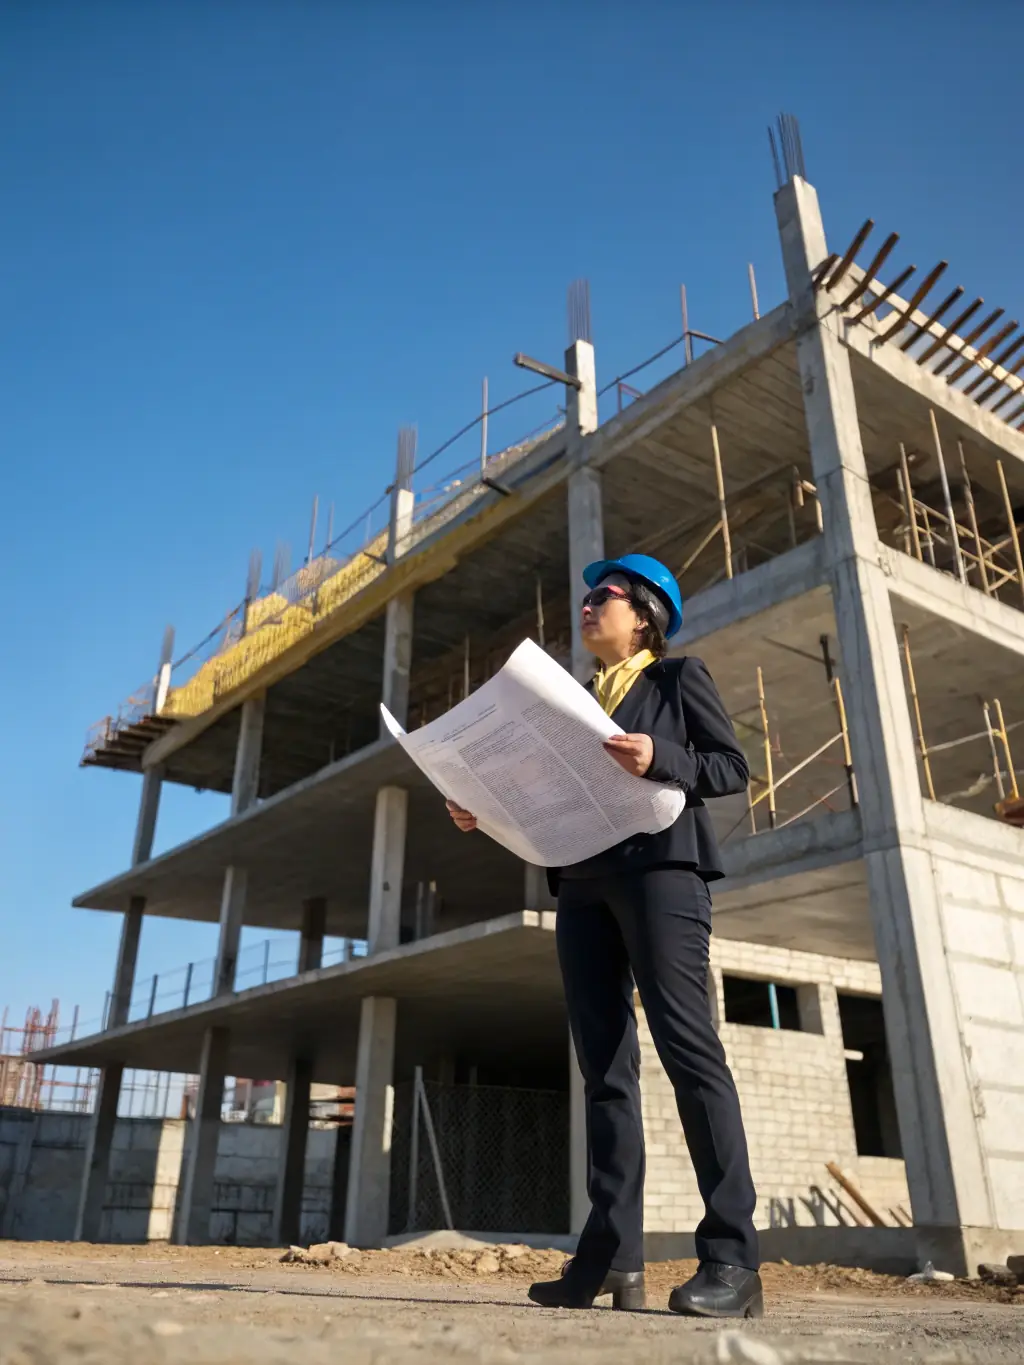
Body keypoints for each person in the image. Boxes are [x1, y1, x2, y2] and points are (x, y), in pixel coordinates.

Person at [446, 553, 762, 1319]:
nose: (589, 606)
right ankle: (611, 1259)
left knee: (691, 1054)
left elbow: (731, 767)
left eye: (605, 596)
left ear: (645, 612)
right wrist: (484, 812)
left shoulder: (676, 680)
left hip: (663, 876)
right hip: (583, 885)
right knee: (605, 1070)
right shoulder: (573, 703)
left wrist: (664, 757)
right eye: (586, 597)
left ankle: (733, 1259)